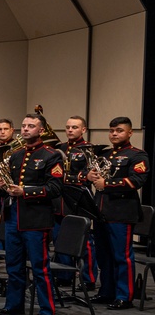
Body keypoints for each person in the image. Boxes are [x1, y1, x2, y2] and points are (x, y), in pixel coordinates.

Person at [0, 113, 64, 315]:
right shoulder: (15, 155)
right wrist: (1, 187)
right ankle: (14, 304)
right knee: (13, 265)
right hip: (13, 216)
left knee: (39, 266)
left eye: (31, 126)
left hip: (36, 219)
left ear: (41, 130)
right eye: (24, 126)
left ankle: (46, 309)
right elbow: (10, 188)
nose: (25, 129)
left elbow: (56, 188)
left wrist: (25, 191)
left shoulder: (52, 156)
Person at [89, 116, 149, 310]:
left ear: (130, 133)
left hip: (121, 213)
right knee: (103, 255)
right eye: (112, 130)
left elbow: (136, 181)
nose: (114, 134)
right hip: (101, 212)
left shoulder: (137, 155)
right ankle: (107, 291)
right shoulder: (105, 155)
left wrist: (106, 183)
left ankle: (125, 295)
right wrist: (91, 176)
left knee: (122, 256)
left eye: (119, 131)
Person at [53, 116, 98, 290]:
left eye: (74, 127)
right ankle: (64, 276)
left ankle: (89, 279)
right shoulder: (59, 149)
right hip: (60, 201)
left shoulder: (89, 150)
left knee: (85, 243)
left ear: (83, 130)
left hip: (79, 201)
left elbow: (89, 174)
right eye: (68, 127)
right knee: (60, 239)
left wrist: (72, 177)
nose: (70, 130)